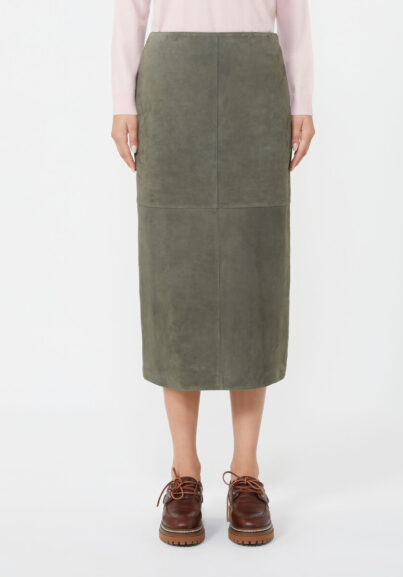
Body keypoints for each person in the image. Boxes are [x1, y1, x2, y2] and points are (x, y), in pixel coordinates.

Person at [111, 0, 315, 546]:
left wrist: (303, 100)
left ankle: (246, 473)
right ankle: (185, 473)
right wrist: (122, 101)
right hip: (172, 80)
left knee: (254, 269)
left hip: (256, 82)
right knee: (174, 268)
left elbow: (294, 13)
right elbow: (130, 8)